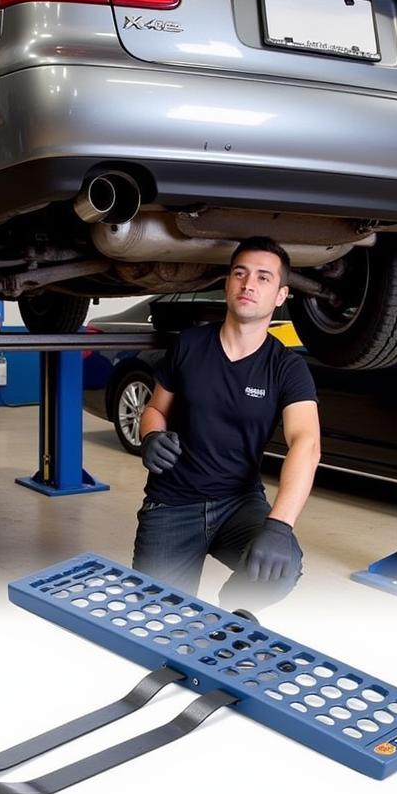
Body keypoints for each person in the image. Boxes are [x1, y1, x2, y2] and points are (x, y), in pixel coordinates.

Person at [132, 236, 321, 609]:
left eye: (263, 278)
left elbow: (306, 443)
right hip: (172, 504)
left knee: (283, 564)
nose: (249, 284)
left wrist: (280, 525)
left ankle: (229, 623)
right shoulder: (190, 344)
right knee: (156, 616)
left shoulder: (287, 367)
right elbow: (154, 409)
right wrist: (150, 435)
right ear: (228, 283)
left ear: (280, 295)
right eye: (240, 273)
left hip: (239, 503)